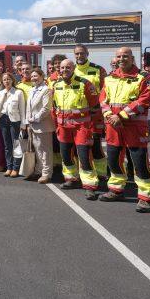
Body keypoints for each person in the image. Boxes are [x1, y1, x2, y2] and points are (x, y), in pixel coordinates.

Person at [99, 48, 150, 212]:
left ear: (132, 58)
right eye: (119, 56)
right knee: (114, 160)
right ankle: (116, 190)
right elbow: (103, 99)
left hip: (134, 128)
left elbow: (144, 100)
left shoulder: (143, 78)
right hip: (113, 127)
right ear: (115, 58)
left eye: (125, 56)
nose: (122, 59)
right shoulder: (109, 78)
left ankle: (146, 198)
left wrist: (121, 115)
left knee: (140, 163)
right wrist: (110, 115)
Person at [52, 59, 100, 200]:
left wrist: (93, 127)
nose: (64, 70)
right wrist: (56, 125)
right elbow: (54, 108)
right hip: (63, 127)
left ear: (73, 68)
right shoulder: (56, 85)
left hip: (81, 127)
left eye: (68, 67)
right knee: (66, 155)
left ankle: (90, 186)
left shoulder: (84, 83)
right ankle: (71, 179)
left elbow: (95, 106)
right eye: (62, 67)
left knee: (84, 157)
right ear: (59, 69)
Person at [73, 44, 109, 181]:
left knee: (95, 145)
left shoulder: (98, 69)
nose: (79, 56)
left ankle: (101, 173)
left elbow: (106, 91)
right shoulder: (72, 70)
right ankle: (82, 172)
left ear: (87, 53)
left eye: (82, 53)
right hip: (78, 116)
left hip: (95, 115)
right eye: (77, 54)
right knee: (79, 146)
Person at [0, 73, 26, 177]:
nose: (7, 81)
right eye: (4, 80)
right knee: (7, 145)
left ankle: (16, 168)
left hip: (15, 121)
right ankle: (9, 167)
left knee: (16, 145)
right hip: (3, 119)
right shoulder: (1, 93)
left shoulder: (18, 92)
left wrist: (23, 124)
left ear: (12, 80)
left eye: (8, 79)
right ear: (2, 82)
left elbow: (22, 109)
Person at [25, 68, 54, 183]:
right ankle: (38, 171)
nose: (33, 78)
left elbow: (46, 109)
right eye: (32, 76)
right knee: (37, 149)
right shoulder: (32, 90)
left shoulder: (46, 90)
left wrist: (34, 119)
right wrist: (28, 122)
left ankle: (47, 173)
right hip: (32, 125)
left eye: (36, 76)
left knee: (45, 150)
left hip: (43, 125)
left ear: (42, 76)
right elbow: (28, 108)